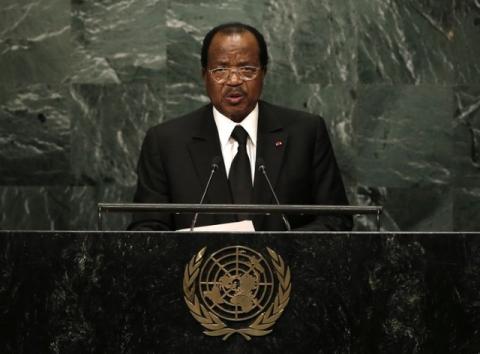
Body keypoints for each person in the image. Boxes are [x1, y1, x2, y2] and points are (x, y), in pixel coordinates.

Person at [128, 22, 352, 231]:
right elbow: (147, 228)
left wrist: (281, 251)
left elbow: (335, 219)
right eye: (221, 70)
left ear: (263, 72)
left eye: (246, 69)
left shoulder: (305, 133)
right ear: (204, 75)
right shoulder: (166, 142)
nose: (234, 80)